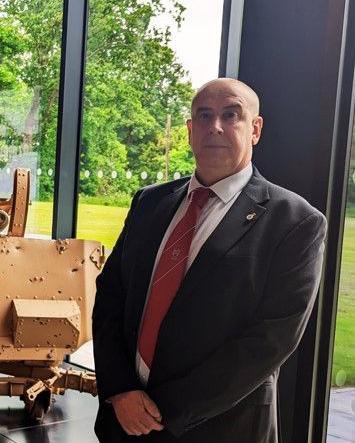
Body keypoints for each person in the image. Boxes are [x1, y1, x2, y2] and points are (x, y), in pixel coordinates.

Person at [92, 78, 326, 442]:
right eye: (203, 115)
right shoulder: (149, 203)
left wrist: (162, 410)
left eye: (231, 115)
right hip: (123, 420)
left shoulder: (296, 222)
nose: (214, 126)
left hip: (219, 427)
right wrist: (120, 390)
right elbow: (110, 297)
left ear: (255, 129)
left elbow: (270, 340)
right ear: (189, 130)